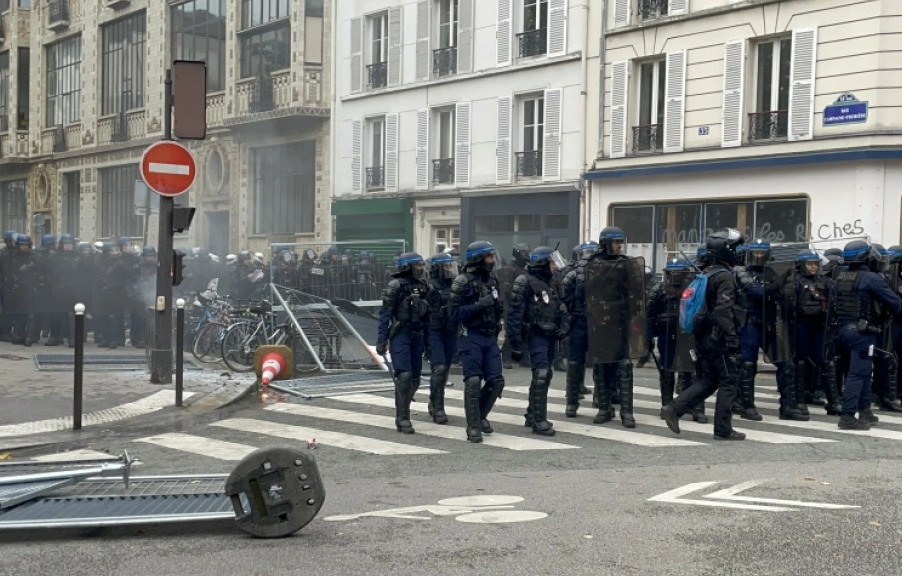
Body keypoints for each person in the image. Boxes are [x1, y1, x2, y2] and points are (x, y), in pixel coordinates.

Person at [662, 228, 747, 440]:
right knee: (728, 380)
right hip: (718, 339)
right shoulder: (724, 276)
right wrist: (733, 340)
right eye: (735, 248)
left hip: (702, 337)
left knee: (709, 380)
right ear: (725, 251)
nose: (739, 252)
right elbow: (723, 311)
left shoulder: (707, 273)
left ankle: (673, 409)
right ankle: (723, 429)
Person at [831, 241, 901, 429]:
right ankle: (847, 416)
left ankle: (865, 411)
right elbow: (895, 302)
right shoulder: (870, 278)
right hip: (863, 333)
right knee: (858, 373)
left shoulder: (840, 275)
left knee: (862, 372)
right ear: (864, 257)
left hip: (843, 331)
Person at [505, 246, 569, 436]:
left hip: (550, 334)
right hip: (534, 334)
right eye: (551, 262)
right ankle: (539, 421)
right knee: (541, 374)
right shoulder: (524, 281)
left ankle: (532, 413)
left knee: (546, 374)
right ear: (542, 264)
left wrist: (564, 326)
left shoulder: (553, 281)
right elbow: (514, 315)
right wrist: (516, 344)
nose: (555, 266)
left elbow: (561, 305)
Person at [449, 241, 505, 443]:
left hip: (489, 336)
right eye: (489, 257)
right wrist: (477, 306)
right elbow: (453, 314)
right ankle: (473, 426)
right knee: (473, 381)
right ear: (478, 259)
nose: (492, 261)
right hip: (470, 335)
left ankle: (481, 416)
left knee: (496, 381)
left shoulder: (493, 280)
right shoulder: (462, 281)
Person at [643, 258, 707, 423]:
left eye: (680, 273)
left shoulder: (693, 289)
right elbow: (649, 315)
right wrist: (648, 337)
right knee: (666, 371)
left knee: (692, 371)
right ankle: (667, 406)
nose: (676, 276)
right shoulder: (659, 290)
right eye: (674, 273)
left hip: (687, 335)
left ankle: (695, 407)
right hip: (667, 335)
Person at [375, 253, 430, 434]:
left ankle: (404, 405)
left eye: (422, 265)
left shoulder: (424, 286)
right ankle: (402, 417)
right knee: (404, 375)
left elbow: (429, 315)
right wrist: (382, 339)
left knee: (415, 378)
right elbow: (384, 313)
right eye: (418, 265)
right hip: (401, 334)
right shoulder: (396, 285)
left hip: (418, 335)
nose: (421, 268)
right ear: (408, 266)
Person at [794, 249, 842, 415]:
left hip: (820, 325)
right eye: (810, 264)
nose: (813, 267)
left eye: (815, 264)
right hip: (801, 325)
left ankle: (834, 401)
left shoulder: (825, 281)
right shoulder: (795, 282)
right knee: (799, 361)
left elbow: (834, 302)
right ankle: (799, 400)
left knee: (825, 361)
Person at [425, 252, 459, 424]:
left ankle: (433, 400)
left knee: (444, 369)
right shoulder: (429, 286)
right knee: (438, 368)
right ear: (438, 268)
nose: (450, 269)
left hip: (451, 331)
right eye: (446, 266)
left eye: (450, 266)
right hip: (435, 331)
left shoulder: (455, 285)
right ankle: (438, 407)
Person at [500, 243, 531, 369]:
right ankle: (506, 357)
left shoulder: (527, 268)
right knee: (512, 331)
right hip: (512, 304)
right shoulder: (510, 269)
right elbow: (507, 289)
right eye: (525, 253)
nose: (527, 256)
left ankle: (524, 357)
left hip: (524, 303)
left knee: (526, 331)